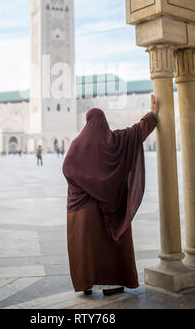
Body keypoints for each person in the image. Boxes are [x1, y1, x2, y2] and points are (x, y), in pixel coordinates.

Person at [62, 93, 159, 296]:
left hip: (82, 210)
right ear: (104, 122)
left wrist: (84, 185)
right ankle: (112, 284)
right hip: (110, 208)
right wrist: (152, 113)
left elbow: (67, 168)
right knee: (108, 247)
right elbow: (137, 132)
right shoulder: (116, 140)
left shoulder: (76, 145)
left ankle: (87, 282)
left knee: (86, 248)